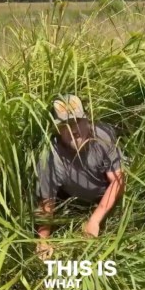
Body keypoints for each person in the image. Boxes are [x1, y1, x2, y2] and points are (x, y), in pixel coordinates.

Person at [35, 94, 125, 259]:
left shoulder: (102, 137)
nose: (73, 130)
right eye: (65, 125)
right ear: (57, 129)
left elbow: (118, 180)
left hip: (106, 192)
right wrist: (43, 239)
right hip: (77, 198)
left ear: (87, 120)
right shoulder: (50, 157)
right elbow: (47, 201)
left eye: (77, 121)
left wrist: (95, 220)